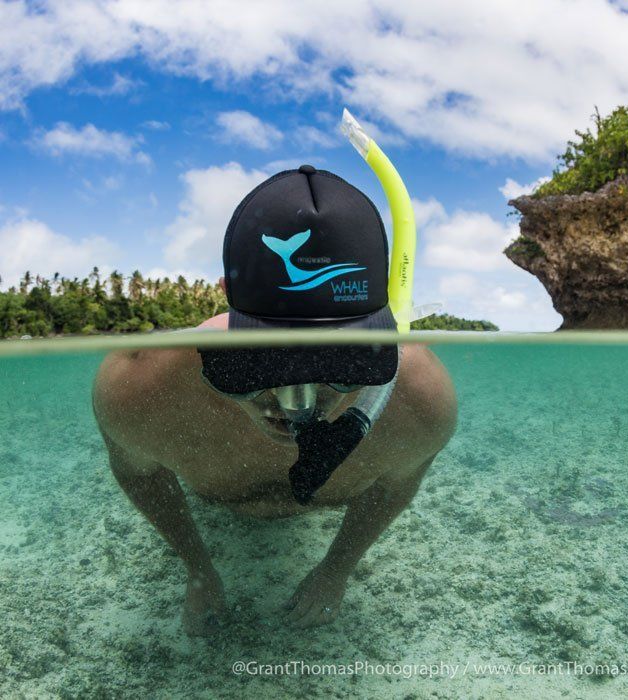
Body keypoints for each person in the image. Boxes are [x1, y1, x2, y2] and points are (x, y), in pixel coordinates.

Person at [91, 165, 457, 635]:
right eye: (259, 363)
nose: (294, 404)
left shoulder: (421, 403)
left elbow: (395, 487)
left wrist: (336, 570)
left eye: (340, 366)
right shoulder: (141, 387)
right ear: (226, 300)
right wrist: (197, 570)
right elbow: (137, 473)